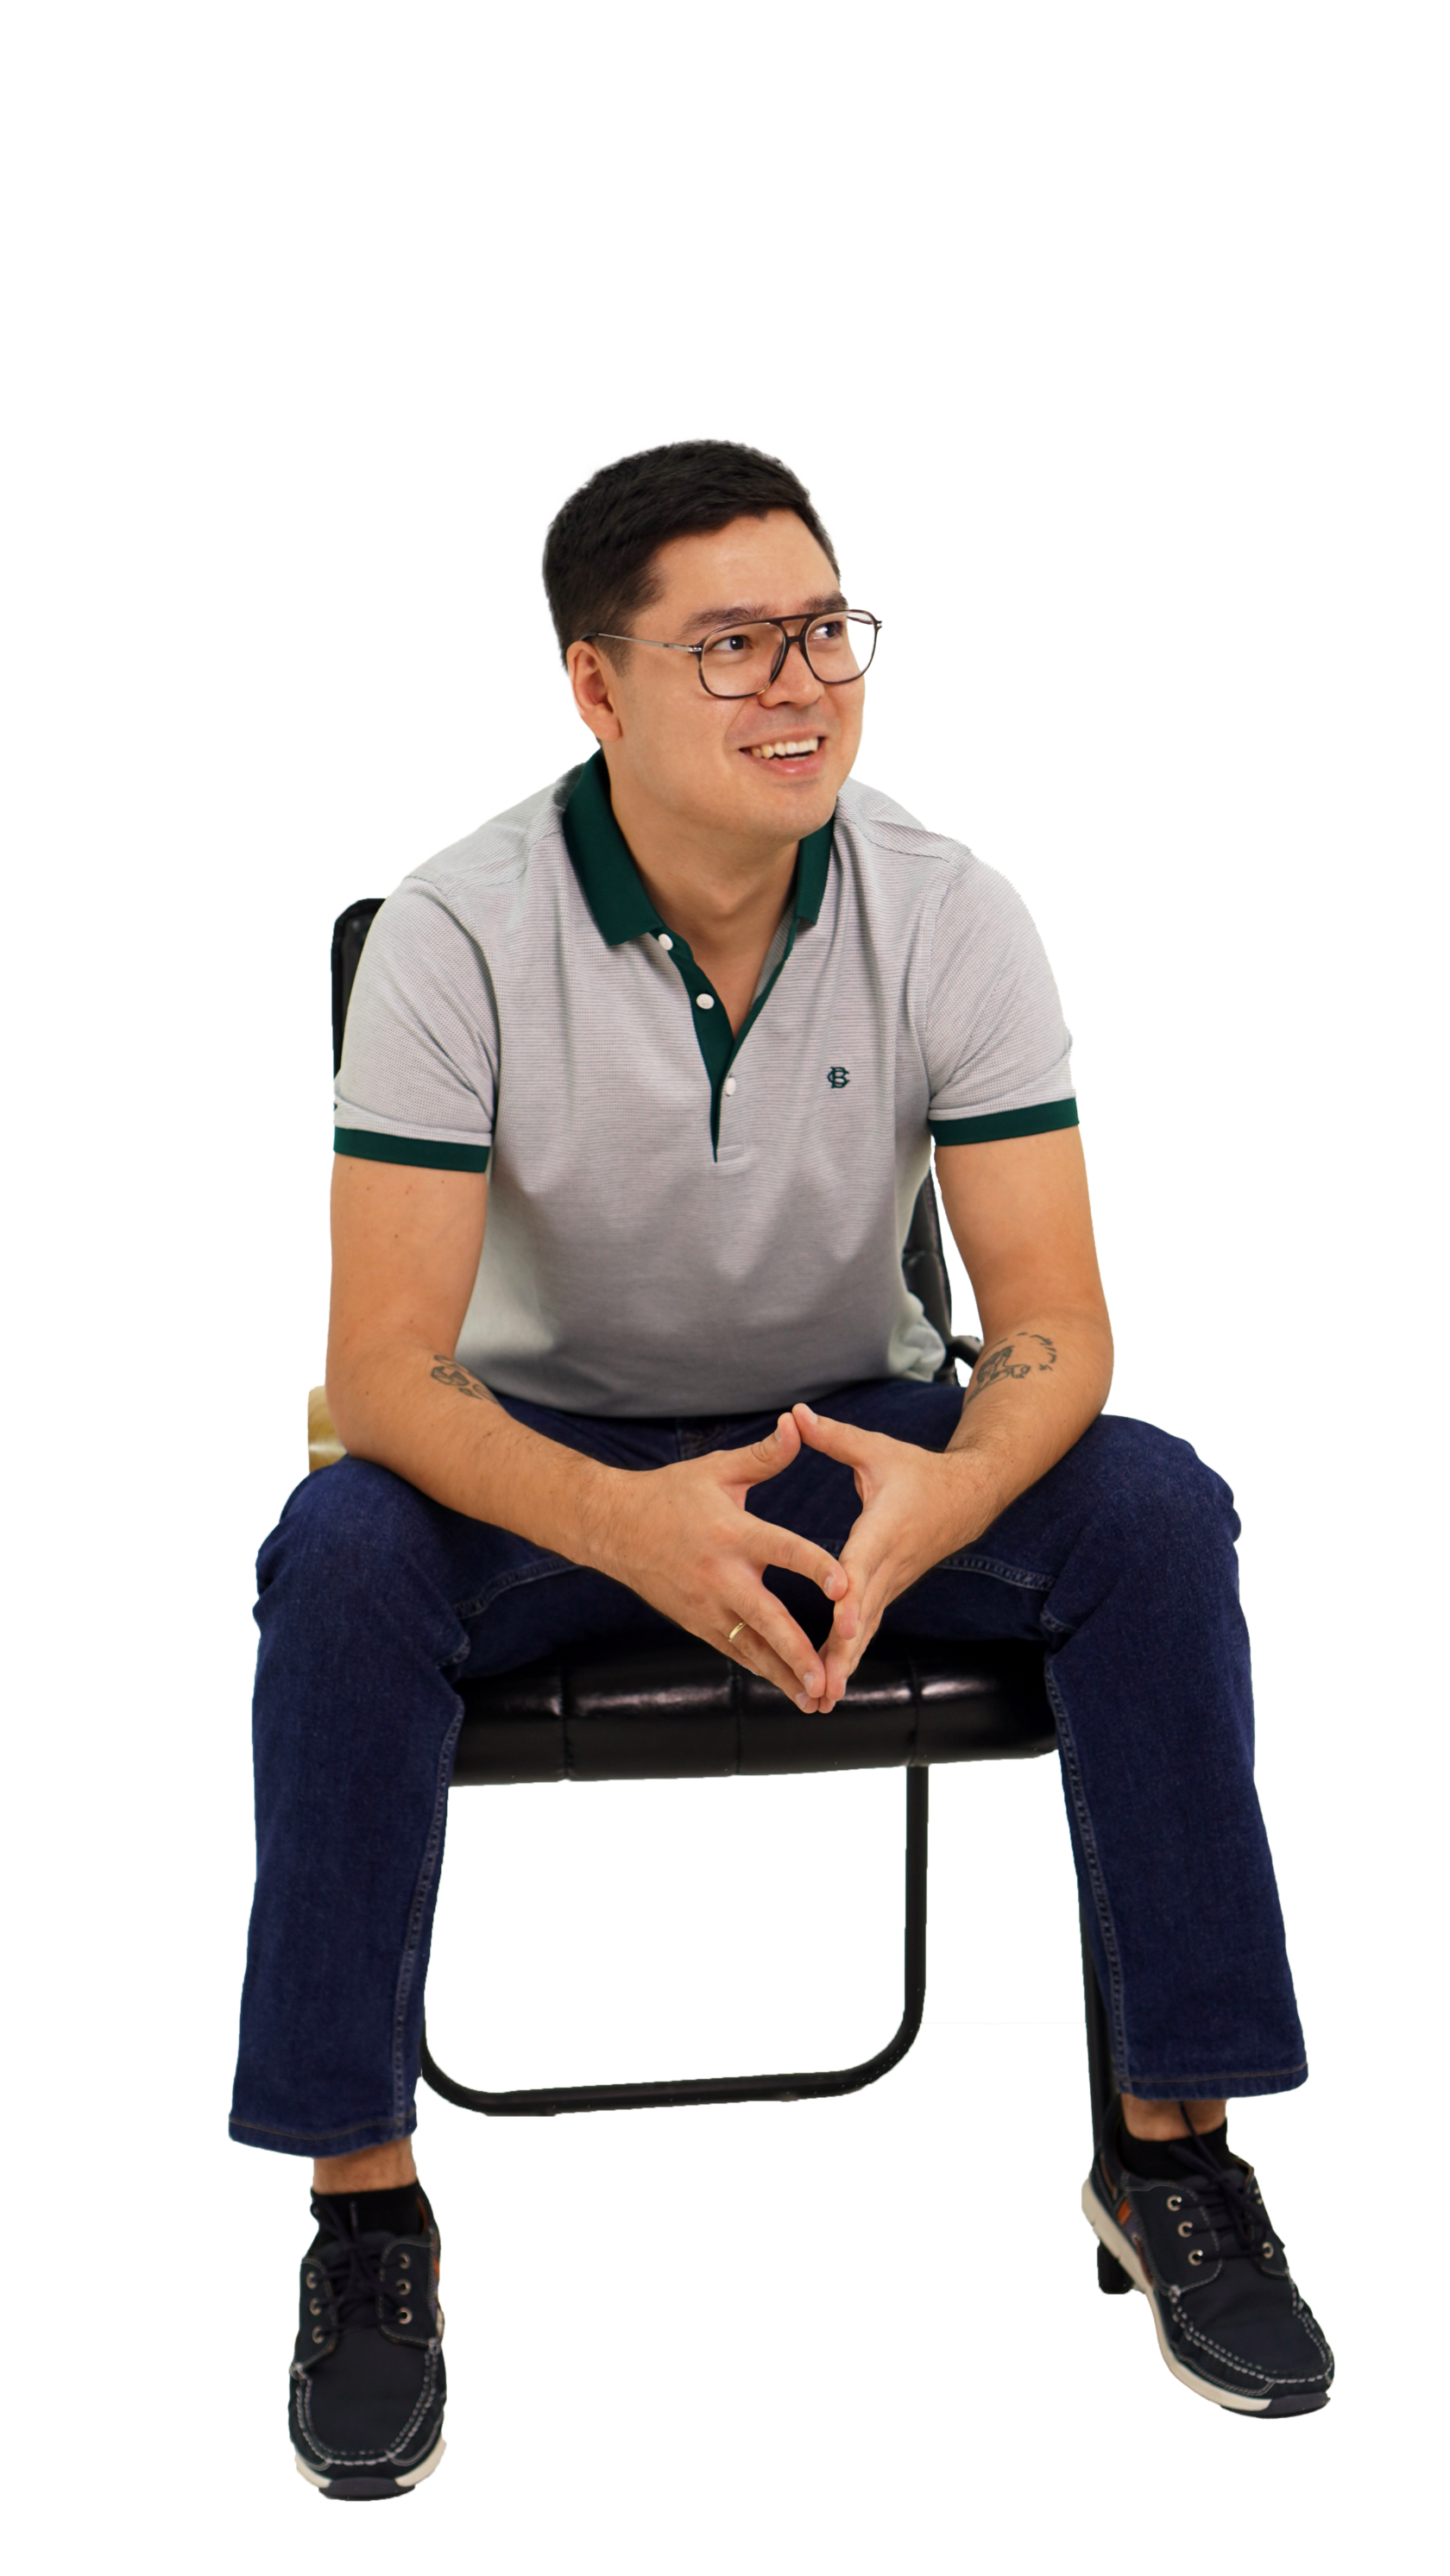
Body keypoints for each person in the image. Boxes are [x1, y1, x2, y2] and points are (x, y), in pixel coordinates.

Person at [232, 435, 1334, 2498]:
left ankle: (1167, 2151)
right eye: (731, 644)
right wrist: (625, 1523)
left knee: (1158, 1503)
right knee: (336, 1546)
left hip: (848, 1437)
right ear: (595, 684)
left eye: (828, 633)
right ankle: (366, 2207)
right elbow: (380, 1376)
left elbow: (1056, 1323)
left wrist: (949, 1490)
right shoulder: (455, 931)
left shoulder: (952, 906)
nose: (801, 684)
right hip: (532, 1465)